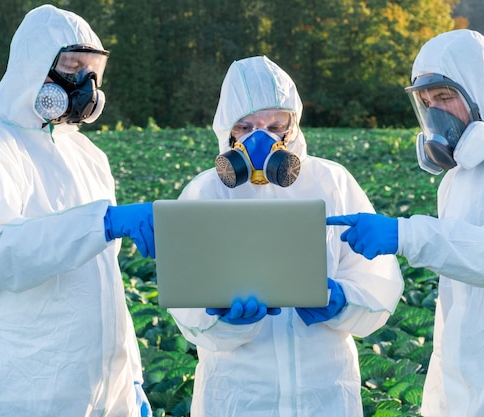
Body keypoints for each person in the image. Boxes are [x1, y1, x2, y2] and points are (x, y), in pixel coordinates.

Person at [0, 5, 155, 417]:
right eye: (72, 68)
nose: (85, 84)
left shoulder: (88, 155)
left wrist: (132, 377)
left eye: (93, 72)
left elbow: (106, 286)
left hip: (105, 391)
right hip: (25, 388)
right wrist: (102, 222)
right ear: (32, 68)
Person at [327, 29, 484, 416]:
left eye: (445, 97)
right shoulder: (454, 180)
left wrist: (406, 233)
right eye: (426, 101)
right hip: (464, 392)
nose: (435, 111)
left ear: (482, 92)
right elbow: (457, 309)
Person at [168, 56, 404, 416]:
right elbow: (188, 312)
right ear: (228, 131)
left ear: (293, 124)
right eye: (246, 126)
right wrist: (228, 324)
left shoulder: (332, 182)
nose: (261, 138)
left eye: (275, 123)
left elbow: (379, 280)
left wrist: (342, 302)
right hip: (238, 396)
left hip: (326, 392)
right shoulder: (205, 192)